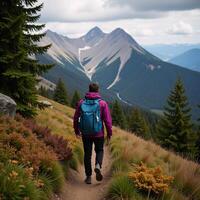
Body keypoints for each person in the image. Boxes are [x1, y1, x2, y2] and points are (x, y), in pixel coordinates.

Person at [73, 83, 112, 184]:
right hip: (99, 133)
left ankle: (88, 176)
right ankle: (98, 165)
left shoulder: (81, 102)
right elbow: (107, 121)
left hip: (85, 133)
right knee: (99, 150)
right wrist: (109, 133)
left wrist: (77, 131)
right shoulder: (102, 103)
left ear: (89, 90)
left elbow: (76, 118)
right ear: (97, 90)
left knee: (87, 154)